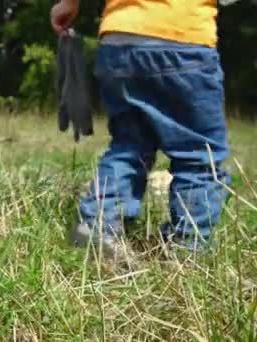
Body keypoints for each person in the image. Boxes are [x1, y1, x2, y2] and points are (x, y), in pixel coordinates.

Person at [51, 0, 231, 255]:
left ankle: (99, 224)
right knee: (200, 156)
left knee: (129, 144)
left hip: (118, 41)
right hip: (183, 39)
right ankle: (188, 247)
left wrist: (69, 5)